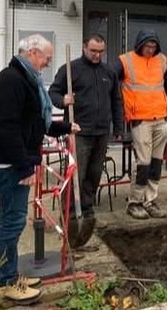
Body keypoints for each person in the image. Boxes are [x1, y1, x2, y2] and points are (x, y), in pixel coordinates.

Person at [0, 34, 80, 304]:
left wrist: (63, 127)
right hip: (9, 164)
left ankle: (9, 275)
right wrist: (24, 167)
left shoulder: (26, 80)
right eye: (46, 58)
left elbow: (35, 121)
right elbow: (7, 127)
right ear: (33, 53)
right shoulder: (11, 81)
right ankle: (6, 282)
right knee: (12, 222)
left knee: (8, 219)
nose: (48, 63)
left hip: (11, 160)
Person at [48, 34, 123, 245]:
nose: (97, 55)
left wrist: (117, 126)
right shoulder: (70, 70)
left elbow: (116, 100)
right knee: (75, 176)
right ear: (84, 47)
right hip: (78, 131)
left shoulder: (109, 72)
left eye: (101, 51)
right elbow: (52, 93)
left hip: (101, 133)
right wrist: (63, 100)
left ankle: (87, 214)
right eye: (93, 51)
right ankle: (70, 216)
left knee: (93, 174)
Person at [113, 30, 167, 220]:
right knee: (143, 163)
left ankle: (150, 200)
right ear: (140, 44)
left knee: (156, 162)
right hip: (140, 120)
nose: (151, 50)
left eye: (153, 46)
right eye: (147, 46)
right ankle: (135, 202)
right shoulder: (125, 61)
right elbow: (108, 79)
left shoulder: (161, 60)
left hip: (160, 118)